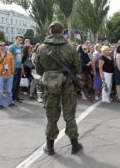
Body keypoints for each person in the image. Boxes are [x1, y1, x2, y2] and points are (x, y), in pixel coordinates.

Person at [34, 21, 83, 155]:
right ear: (62, 32)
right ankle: (74, 145)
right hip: (67, 85)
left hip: (50, 85)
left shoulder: (41, 48)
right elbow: (78, 67)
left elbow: (38, 70)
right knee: (69, 116)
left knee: (51, 116)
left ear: (50, 31)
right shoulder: (70, 47)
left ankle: (50, 147)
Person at [0, 41, 15, 109]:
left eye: (3, 45)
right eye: (0, 45)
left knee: (9, 90)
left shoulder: (9, 54)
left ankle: (9, 102)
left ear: (5, 46)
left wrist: (13, 71)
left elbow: (12, 63)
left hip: (9, 75)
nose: (2, 46)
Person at [8, 34, 24, 103]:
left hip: (19, 67)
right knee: (14, 83)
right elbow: (8, 58)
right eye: (19, 40)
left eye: (21, 40)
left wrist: (22, 67)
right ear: (15, 39)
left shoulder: (20, 47)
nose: (20, 41)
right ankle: (12, 97)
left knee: (17, 83)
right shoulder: (11, 47)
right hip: (14, 67)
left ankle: (16, 96)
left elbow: (21, 59)